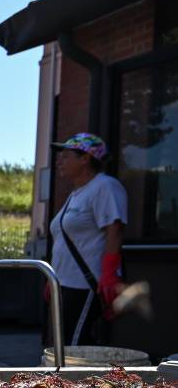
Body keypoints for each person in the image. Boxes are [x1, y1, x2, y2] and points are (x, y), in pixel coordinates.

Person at [48, 133, 127, 346]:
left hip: (85, 286)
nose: (59, 160)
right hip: (65, 284)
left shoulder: (104, 186)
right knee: (65, 345)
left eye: (66, 155)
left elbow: (115, 229)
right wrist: (52, 278)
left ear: (85, 159)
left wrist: (110, 273)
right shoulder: (76, 193)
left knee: (72, 348)